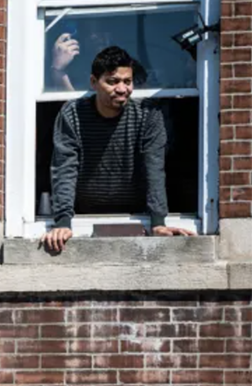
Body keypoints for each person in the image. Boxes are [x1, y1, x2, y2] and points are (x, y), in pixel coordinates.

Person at [42, 46, 195, 253]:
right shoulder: (73, 114)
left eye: (127, 81)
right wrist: (62, 223)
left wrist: (158, 221)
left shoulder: (147, 114)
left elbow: (154, 167)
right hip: (84, 214)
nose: (122, 89)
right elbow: (64, 169)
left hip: (135, 214)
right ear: (94, 83)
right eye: (113, 82)